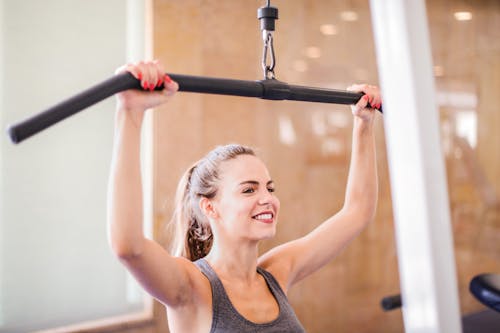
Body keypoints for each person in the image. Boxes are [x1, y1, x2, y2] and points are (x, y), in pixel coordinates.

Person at [107, 60, 380, 333]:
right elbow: (128, 246)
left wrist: (363, 124)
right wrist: (130, 112)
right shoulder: (191, 287)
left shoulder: (277, 272)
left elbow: (357, 212)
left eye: (269, 188)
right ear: (210, 208)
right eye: (249, 189)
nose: (267, 199)